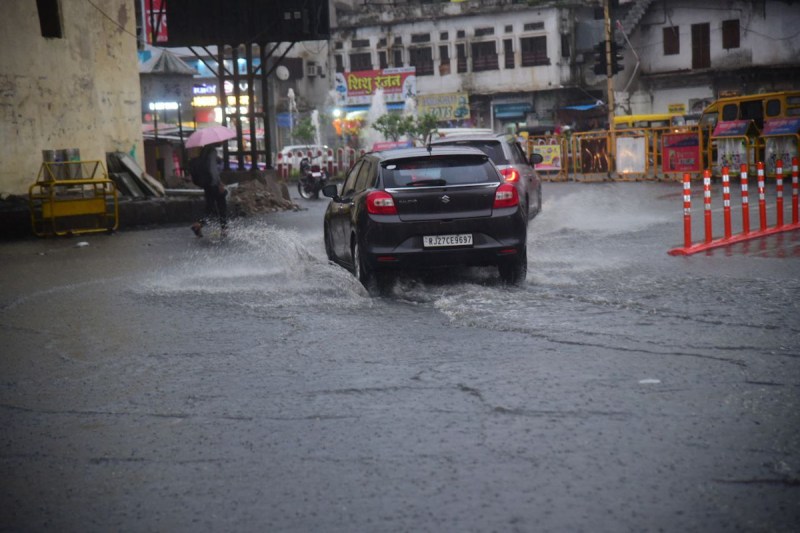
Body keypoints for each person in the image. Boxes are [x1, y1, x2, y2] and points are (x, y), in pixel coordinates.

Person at [190, 142, 227, 238]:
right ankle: (224, 229)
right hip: (213, 184)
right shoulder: (212, 151)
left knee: (210, 208)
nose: (222, 142)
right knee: (222, 205)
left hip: (207, 184)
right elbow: (212, 170)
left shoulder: (204, 151)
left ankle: (198, 225)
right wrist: (219, 183)